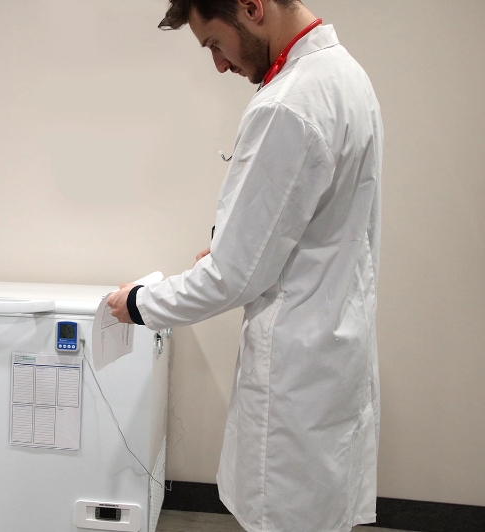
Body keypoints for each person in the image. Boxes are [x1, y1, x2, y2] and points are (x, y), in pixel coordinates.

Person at [105, 1, 383, 531]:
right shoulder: (347, 77)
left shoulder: (287, 104)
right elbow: (325, 224)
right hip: (337, 352)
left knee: (284, 517)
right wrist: (245, 246)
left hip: (297, 372)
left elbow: (230, 278)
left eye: (213, 43)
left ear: (252, 7)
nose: (218, 64)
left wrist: (138, 304)